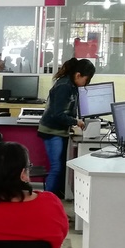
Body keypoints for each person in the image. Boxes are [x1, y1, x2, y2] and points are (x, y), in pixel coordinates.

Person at [37, 57, 95, 197]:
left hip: (60, 131)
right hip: (52, 131)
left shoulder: (72, 85)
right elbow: (58, 114)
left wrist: (74, 121)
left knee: (61, 166)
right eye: (87, 80)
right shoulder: (64, 86)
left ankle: (55, 197)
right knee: (56, 168)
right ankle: (47, 200)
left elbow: (69, 109)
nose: (86, 83)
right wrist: (75, 122)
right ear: (78, 75)